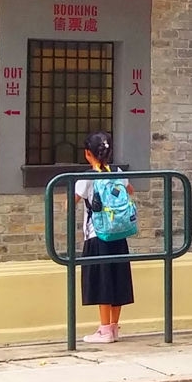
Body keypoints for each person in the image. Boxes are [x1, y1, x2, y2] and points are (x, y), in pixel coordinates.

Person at [75, 130, 135, 343]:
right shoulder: (118, 172)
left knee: (102, 280)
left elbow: (73, 200)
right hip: (119, 233)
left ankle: (104, 330)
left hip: (96, 234)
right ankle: (114, 327)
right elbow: (131, 191)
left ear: (87, 154)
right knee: (118, 278)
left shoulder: (86, 177)